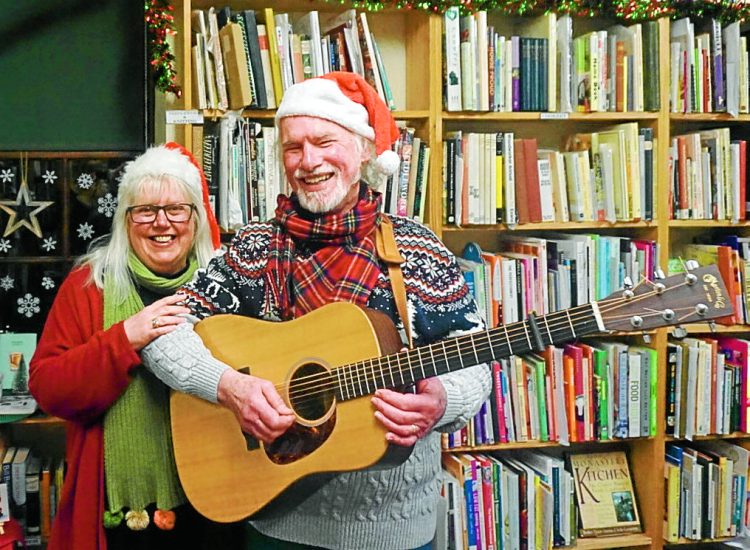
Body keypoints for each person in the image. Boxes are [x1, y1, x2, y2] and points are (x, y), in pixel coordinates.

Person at [141, 72, 492, 549]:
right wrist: (229, 387)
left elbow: (473, 359)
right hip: (275, 516)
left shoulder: (419, 251)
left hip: (394, 530)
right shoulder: (255, 249)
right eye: (293, 147)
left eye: (325, 141)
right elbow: (162, 332)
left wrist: (442, 402)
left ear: (365, 150)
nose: (309, 161)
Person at [28, 143, 243, 550]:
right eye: (146, 211)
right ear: (126, 220)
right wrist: (123, 338)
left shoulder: (227, 285)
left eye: (176, 209)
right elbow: (48, 387)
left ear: (195, 219)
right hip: (122, 517)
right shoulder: (90, 286)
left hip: (219, 497)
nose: (162, 223)